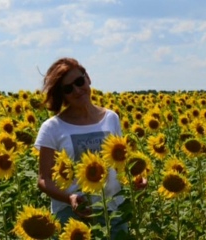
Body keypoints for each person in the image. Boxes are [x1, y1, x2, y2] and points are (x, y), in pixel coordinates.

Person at [34, 57, 133, 239]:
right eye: (68, 88)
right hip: (74, 217)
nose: (77, 90)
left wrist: (134, 180)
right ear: (61, 95)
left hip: (113, 210)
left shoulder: (111, 118)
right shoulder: (52, 128)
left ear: (87, 77)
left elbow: (120, 165)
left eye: (79, 82)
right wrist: (69, 198)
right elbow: (43, 179)